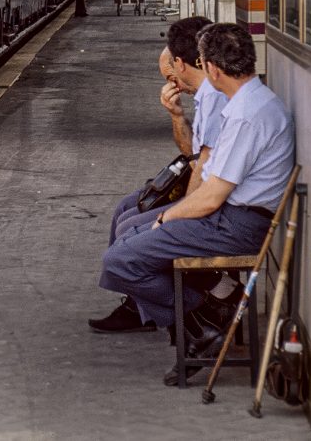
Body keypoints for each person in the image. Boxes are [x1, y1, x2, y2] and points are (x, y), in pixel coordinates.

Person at [99, 23, 295, 384]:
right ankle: (204, 323)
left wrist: (168, 218)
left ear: (213, 69)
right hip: (234, 216)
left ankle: (203, 321)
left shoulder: (246, 116)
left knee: (120, 259)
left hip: (237, 225)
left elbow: (211, 196)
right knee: (131, 240)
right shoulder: (250, 103)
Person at [89, 16, 227, 333]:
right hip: (210, 198)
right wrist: (177, 115)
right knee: (125, 210)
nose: (172, 85)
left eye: (172, 76)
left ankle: (198, 314)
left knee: (130, 226)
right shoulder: (206, 97)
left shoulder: (215, 98)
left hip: (217, 209)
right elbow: (192, 154)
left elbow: (201, 168)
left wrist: (176, 213)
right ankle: (141, 305)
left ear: (183, 63)